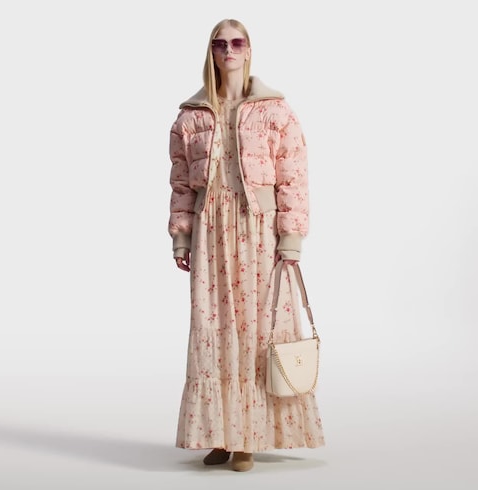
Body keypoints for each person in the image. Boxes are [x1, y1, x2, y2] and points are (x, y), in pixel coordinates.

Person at [168, 18, 325, 472]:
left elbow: (293, 175)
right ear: (211, 52)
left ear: (249, 49)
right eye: (220, 43)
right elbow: (180, 182)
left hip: (259, 230)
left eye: (237, 42)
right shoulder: (190, 117)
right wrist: (181, 236)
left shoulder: (276, 111)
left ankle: (248, 439)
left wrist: (291, 239)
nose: (229, 50)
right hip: (210, 231)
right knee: (213, 331)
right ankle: (220, 433)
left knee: (257, 330)